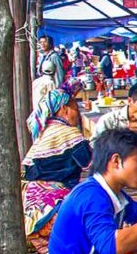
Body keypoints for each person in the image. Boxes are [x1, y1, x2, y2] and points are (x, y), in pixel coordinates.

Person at [22, 85, 93, 238]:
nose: (78, 114)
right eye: (76, 108)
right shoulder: (68, 132)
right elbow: (89, 162)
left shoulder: (44, 132)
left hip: (32, 201)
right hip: (51, 209)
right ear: (64, 109)